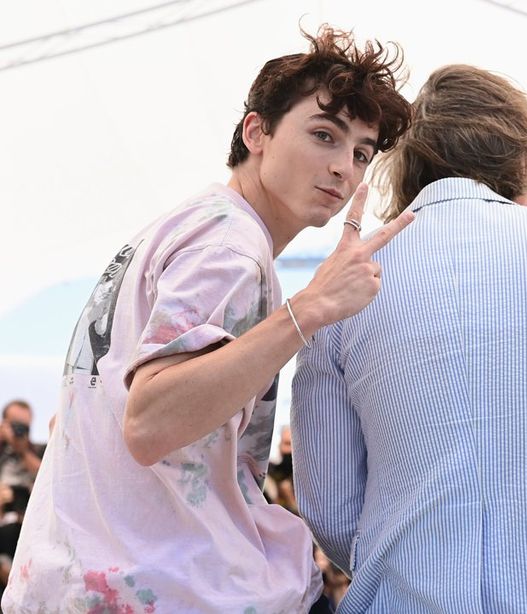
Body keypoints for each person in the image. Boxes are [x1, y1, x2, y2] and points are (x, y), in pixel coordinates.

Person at [2, 26, 413, 612]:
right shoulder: (228, 247)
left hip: (80, 575)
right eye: (324, 135)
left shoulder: (195, 224)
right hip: (169, 585)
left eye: (361, 153)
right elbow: (152, 421)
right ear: (257, 132)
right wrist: (310, 308)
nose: (344, 167)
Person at [291, 64, 527, 612]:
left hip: (404, 593)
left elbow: (329, 500)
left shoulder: (349, 273)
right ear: (520, 153)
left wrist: (398, 549)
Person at [0, 400, 44, 491]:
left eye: (24, 426)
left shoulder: (40, 450)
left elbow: (45, 476)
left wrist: (23, 451)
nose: (19, 430)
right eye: (15, 424)